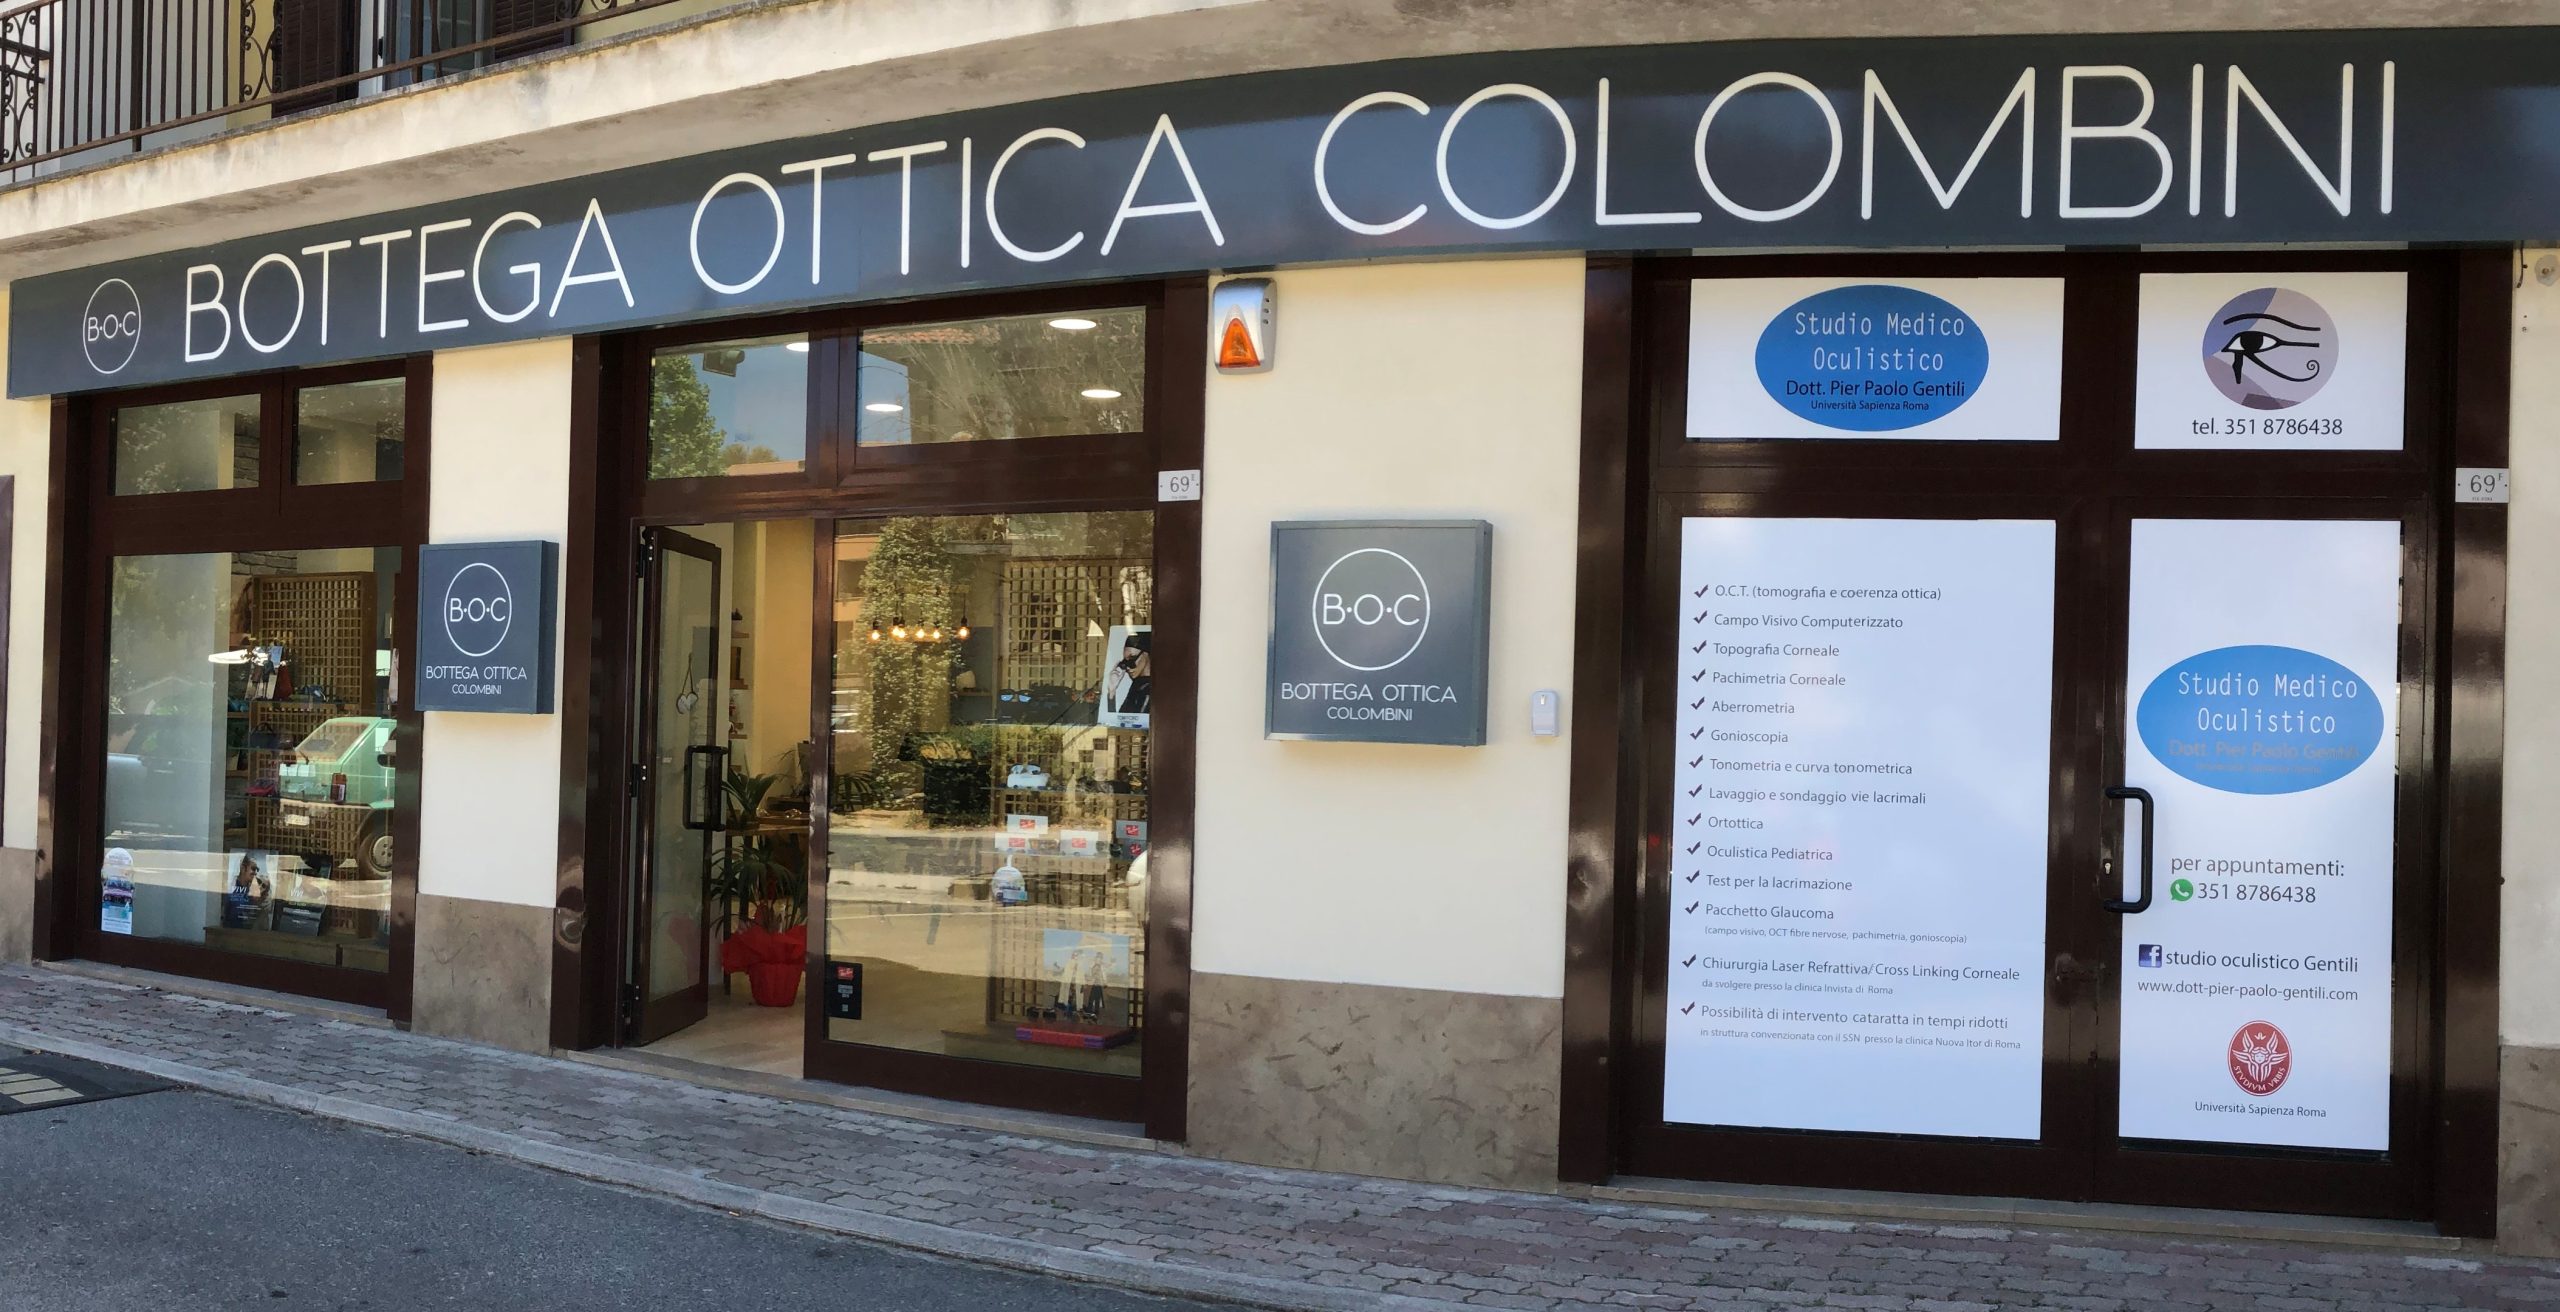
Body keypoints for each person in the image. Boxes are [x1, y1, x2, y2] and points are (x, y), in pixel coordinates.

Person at [1103, 631, 1152, 720]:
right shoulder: (1138, 684)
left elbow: (1133, 724)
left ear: (1146, 654)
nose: (1128, 666)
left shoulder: (1149, 688)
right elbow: (1119, 723)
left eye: (1132, 658)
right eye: (1125, 661)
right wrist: (1112, 691)